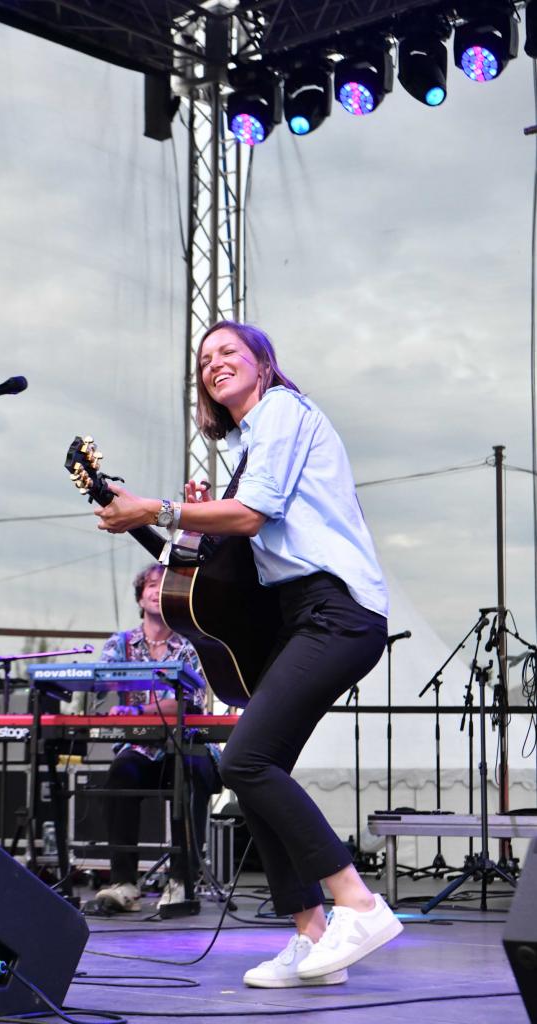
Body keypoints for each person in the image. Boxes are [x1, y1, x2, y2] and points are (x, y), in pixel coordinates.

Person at [94, 319, 403, 986]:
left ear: (263, 363)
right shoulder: (249, 446)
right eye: (205, 358)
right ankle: (310, 935)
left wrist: (159, 507)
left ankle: (357, 903)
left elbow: (253, 513)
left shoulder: (284, 410)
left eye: (228, 351)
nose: (214, 363)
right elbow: (210, 567)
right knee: (258, 773)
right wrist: (156, 519)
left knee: (245, 759)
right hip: (298, 615)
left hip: (336, 609)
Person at [94, 562, 220, 913]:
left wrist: (137, 709)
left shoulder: (190, 646)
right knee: (121, 772)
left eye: (163, 586)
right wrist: (138, 706)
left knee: (191, 772)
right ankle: (123, 883)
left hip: (187, 744)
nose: (156, 591)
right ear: (140, 596)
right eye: (151, 584)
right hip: (141, 747)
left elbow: (189, 701)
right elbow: (101, 689)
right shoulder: (120, 644)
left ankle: (181, 881)